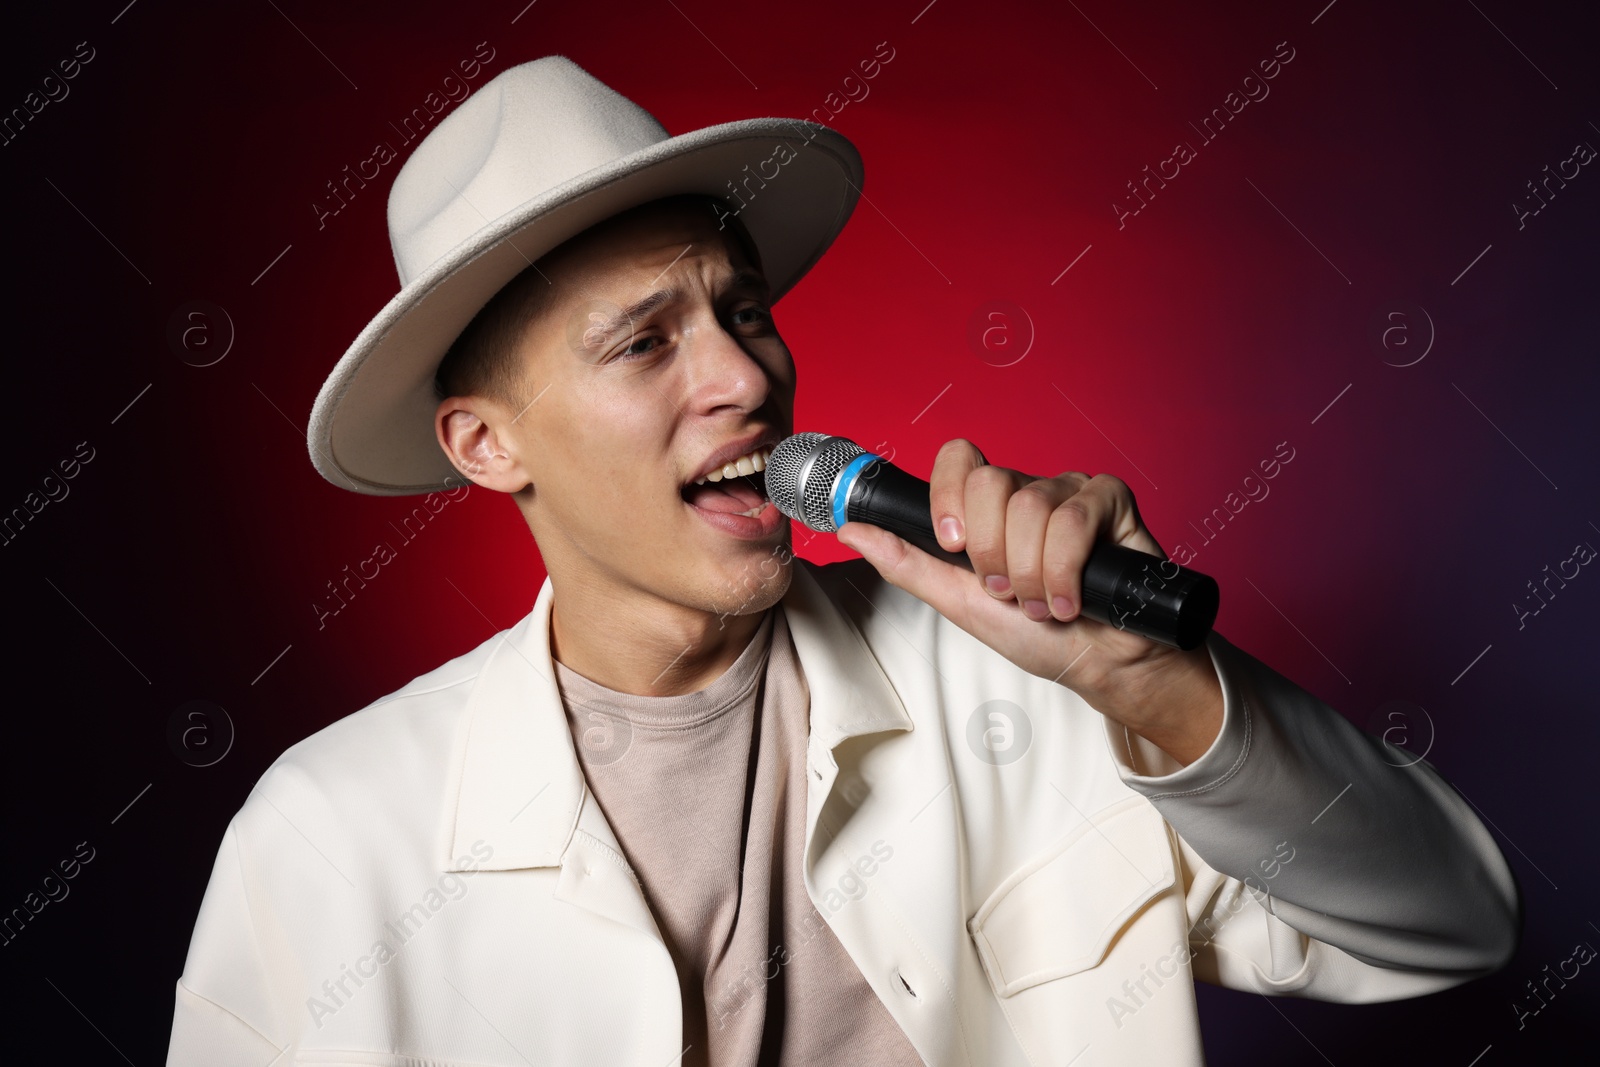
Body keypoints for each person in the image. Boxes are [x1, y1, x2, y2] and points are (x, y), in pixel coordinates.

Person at [165, 56, 1519, 1067]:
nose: (743, 376)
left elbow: (1453, 926)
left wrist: (1154, 688)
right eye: (645, 343)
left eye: (742, 310)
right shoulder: (330, 842)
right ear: (483, 444)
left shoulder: (1032, 689)